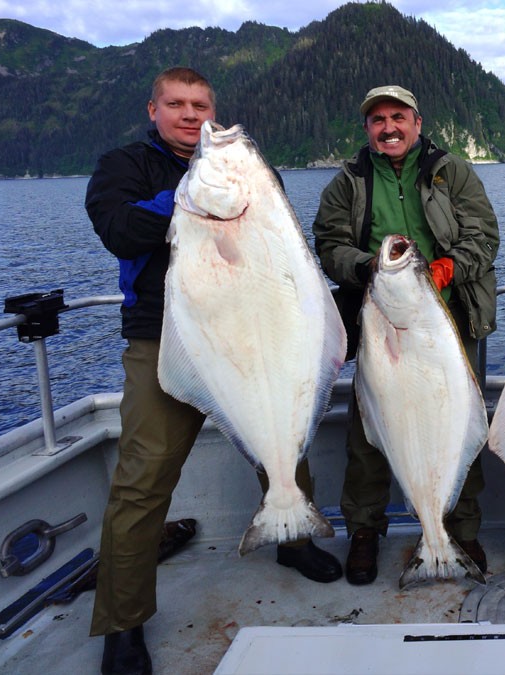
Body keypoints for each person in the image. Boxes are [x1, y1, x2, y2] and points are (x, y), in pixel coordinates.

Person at [86, 67, 341, 675]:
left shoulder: (250, 173)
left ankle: (294, 538)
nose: (191, 113)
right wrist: (193, 196)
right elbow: (120, 232)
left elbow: (286, 246)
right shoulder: (123, 167)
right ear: (153, 109)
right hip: (168, 343)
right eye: (176, 104)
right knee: (143, 480)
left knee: (285, 443)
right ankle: (122, 623)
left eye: (201, 104)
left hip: (261, 336)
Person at [313, 85, 500, 586]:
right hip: (380, 317)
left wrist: (447, 269)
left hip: (451, 317)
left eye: (399, 116)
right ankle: (365, 532)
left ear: (417, 123)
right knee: (368, 431)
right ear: (368, 129)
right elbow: (329, 245)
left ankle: (459, 530)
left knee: (459, 423)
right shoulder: (349, 180)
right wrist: (365, 266)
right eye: (378, 119)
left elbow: (483, 236)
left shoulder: (452, 170)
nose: (389, 127)